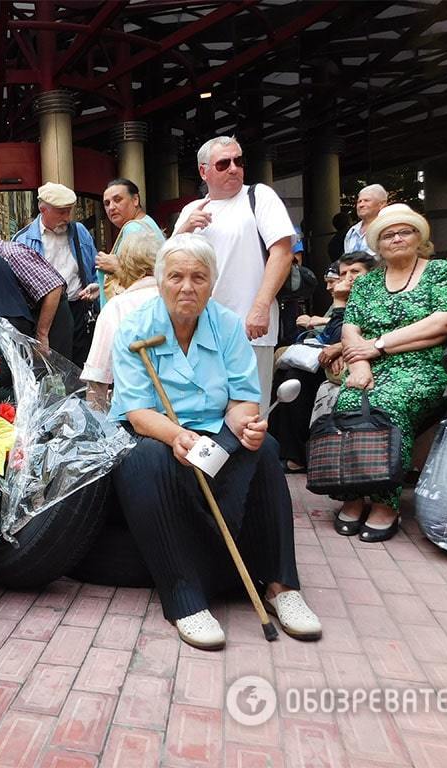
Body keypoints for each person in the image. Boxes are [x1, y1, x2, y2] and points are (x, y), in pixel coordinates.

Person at [108, 233, 321, 650]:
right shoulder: (135, 328)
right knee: (146, 461)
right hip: (159, 432)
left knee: (267, 449)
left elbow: (243, 398)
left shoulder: (225, 325)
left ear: (212, 282)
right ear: (160, 279)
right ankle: (184, 596)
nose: (187, 287)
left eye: (198, 277)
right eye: (176, 276)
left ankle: (281, 587)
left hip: (215, 431)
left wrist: (246, 427)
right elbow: (136, 411)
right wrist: (177, 436)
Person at [333, 204, 447, 542]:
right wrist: (359, 364)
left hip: (424, 366)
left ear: (419, 236)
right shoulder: (367, 283)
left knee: (388, 404)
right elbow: (350, 329)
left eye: (404, 231)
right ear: (378, 243)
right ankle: (354, 494)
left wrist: (378, 345)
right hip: (370, 366)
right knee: (347, 399)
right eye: (388, 234)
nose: (396, 238)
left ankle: (385, 503)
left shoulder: (439, 272)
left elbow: (444, 322)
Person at [173, 136, 297, 408]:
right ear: (204, 171)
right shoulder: (191, 210)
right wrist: (185, 230)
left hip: (249, 326)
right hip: (198, 330)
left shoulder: (259, 196)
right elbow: (169, 265)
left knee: (250, 412)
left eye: (238, 161)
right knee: (202, 411)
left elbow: (282, 252)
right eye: (223, 163)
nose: (233, 168)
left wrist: (261, 306)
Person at [269, 251, 375, 471]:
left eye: (355, 272)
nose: (348, 278)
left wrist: (340, 344)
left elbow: (341, 335)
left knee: (298, 377)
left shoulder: (375, 298)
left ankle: (297, 457)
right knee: (286, 377)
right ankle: (282, 449)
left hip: (365, 360)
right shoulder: (351, 298)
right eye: (344, 273)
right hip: (338, 355)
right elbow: (335, 334)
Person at [14, 183, 100, 366]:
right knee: (53, 368)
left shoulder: (79, 232)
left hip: (80, 308)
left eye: (69, 211)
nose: (67, 218)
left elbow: (94, 269)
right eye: (61, 212)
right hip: (47, 313)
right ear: (43, 209)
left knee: (82, 366)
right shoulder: (23, 240)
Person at [0, 218, 72, 357]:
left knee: (56, 375)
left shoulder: (10, 253)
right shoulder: (1, 256)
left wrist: (42, 334)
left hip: (53, 319)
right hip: (44, 317)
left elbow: (53, 288)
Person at [81, 230, 161, 411]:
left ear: (124, 266)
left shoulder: (117, 307)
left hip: (139, 414)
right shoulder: (181, 301)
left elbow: (97, 378)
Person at [94, 178, 165, 303]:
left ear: (135, 200)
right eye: (107, 203)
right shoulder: (146, 222)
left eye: (117, 200)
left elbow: (142, 279)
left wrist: (115, 266)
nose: (111, 207)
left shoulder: (134, 228)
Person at [343, 184, 387, 257]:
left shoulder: (387, 227)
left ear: (381, 204)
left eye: (366, 200)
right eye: (359, 201)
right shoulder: (352, 231)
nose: (361, 205)